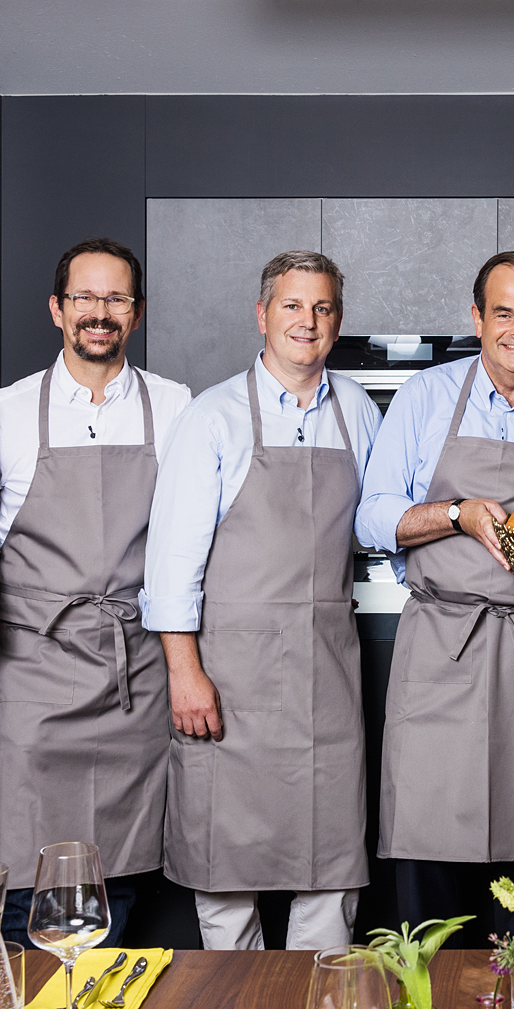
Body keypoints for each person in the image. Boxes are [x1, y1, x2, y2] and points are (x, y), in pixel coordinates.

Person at [355, 252, 514, 940]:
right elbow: (372, 516)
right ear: (476, 318)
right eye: (503, 312)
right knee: (431, 870)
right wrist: (457, 512)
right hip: (443, 652)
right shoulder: (424, 397)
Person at [144, 251, 379, 950]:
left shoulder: (359, 412)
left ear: (337, 321)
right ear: (262, 315)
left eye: (322, 308)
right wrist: (185, 674)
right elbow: (170, 563)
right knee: (224, 864)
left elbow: (376, 528)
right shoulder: (212, 416)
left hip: (327, 672)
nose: (307, 322)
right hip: (229, 672)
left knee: (330, 861)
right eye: (292, 306)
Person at [0, 239, 192, 948]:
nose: (99, 314)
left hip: (134, 667)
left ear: (135, 314)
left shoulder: (175, 407)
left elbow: (191, 539)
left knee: (125, 865)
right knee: (28, 859)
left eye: (116, 300)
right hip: (36, 669)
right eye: (84, 298)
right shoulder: (5, 411)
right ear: (57, 309)